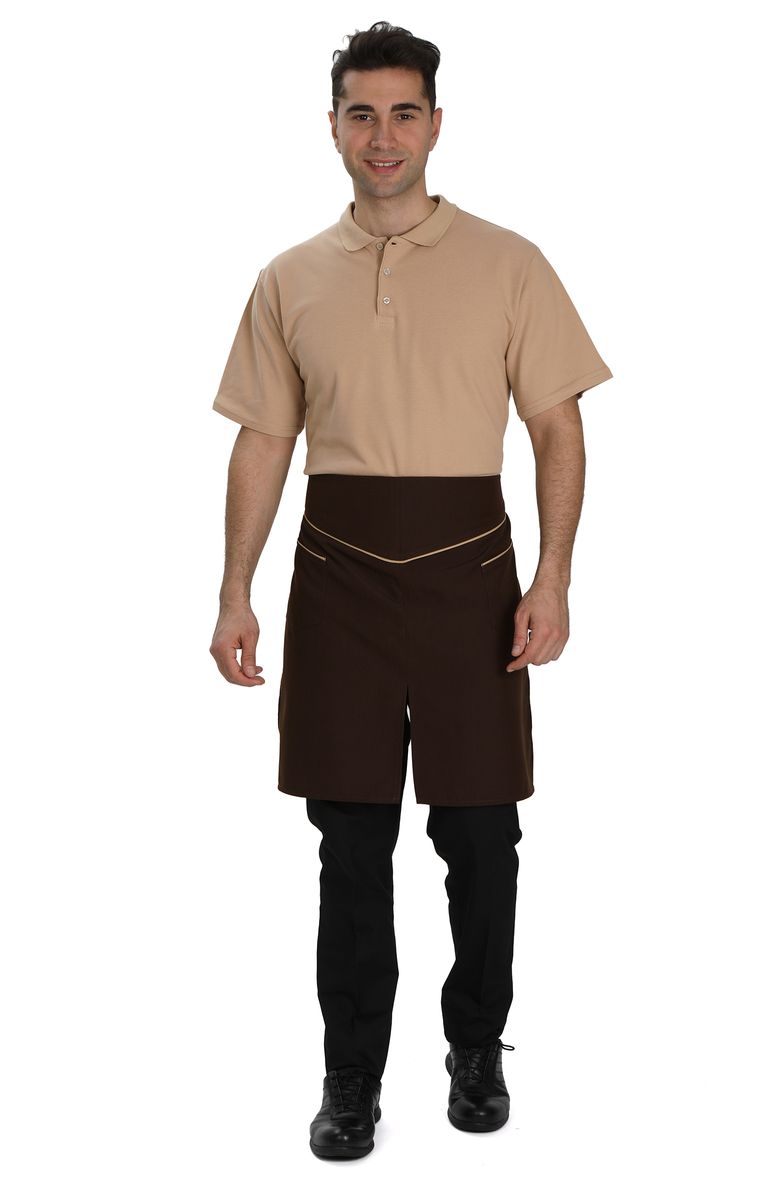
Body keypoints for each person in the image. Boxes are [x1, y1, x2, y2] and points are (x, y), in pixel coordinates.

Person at [208, 21, 612, 1160]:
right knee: (349, 845)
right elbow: (262, 441)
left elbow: (556, 427)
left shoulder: (511, 263)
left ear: (436, 124)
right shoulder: (289, 277)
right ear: (332, 128)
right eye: (361, 114)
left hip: (471, 575)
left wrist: (553, 576)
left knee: (482, 835)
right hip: (336, 575)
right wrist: (234, 591)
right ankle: (350, 1078)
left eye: (402, 113)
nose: (381, 136)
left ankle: (476, 1048)